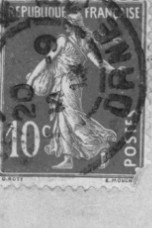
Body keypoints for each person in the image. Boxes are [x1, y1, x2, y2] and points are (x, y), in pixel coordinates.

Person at [25, 2, 116, 171]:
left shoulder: (64, 39)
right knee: (62, 121)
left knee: (73, 119)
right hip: (70, 83)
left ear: (68, 24)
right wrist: (114, 70)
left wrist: (31, 81)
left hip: (67, 83)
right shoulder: (84, 41)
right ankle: (68, 159)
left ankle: (100, 145)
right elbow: (100, 64)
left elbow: (48, 60)